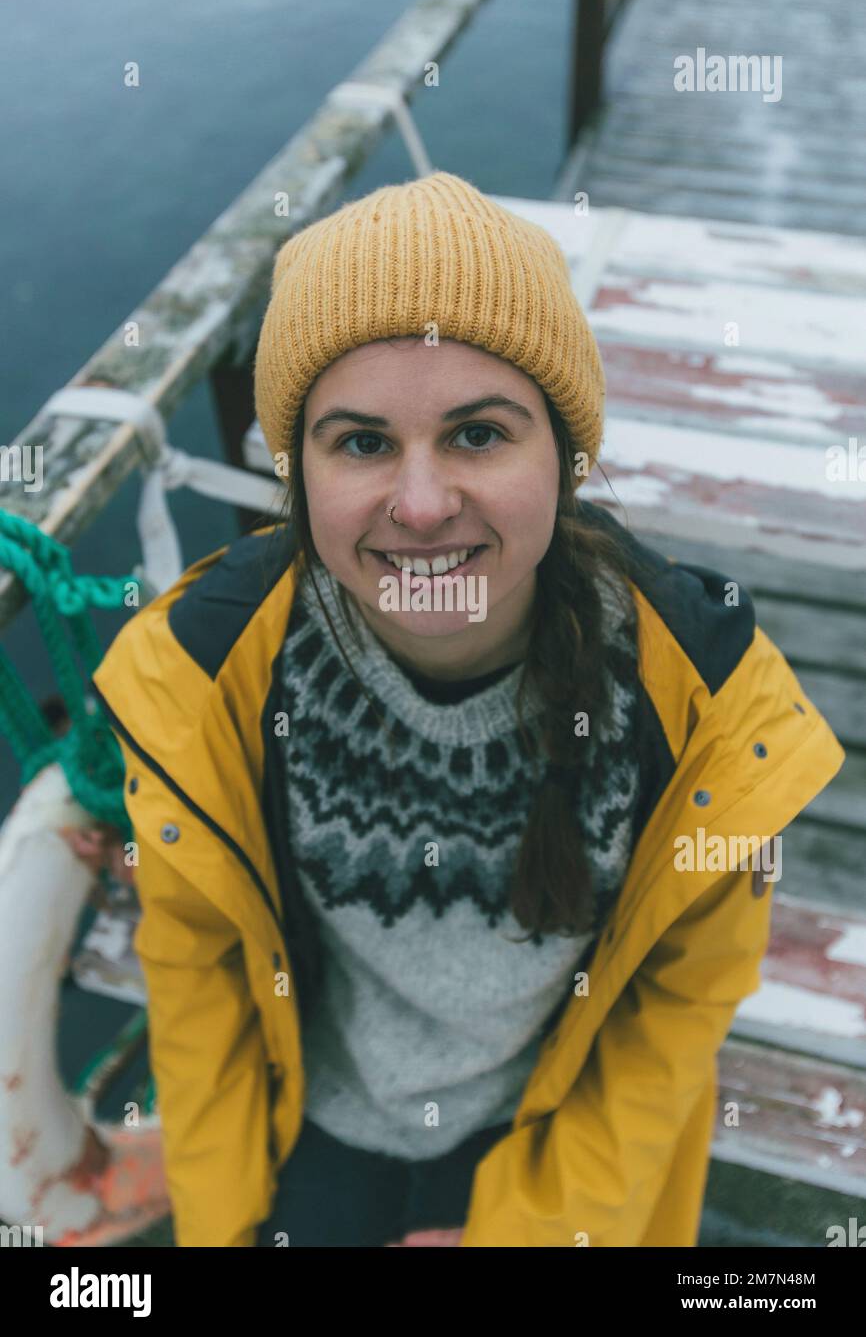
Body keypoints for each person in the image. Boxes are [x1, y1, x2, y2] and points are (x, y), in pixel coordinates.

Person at [88, 171, 844, 1247]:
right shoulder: (210, 678)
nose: (423, 503)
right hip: (309, 1115)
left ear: (565, 457)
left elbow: (673, 1008)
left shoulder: (695, 703)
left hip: (548, 1129)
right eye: (359, 442)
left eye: (478, 434)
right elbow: (197, 973)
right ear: (296, 473)